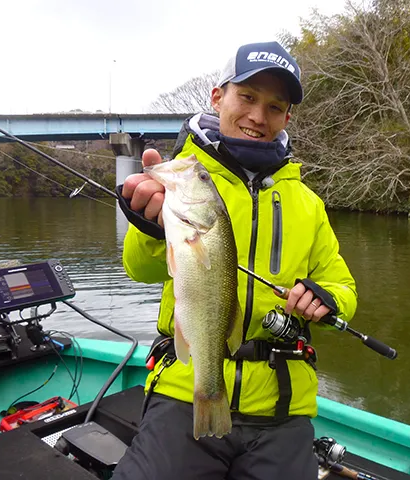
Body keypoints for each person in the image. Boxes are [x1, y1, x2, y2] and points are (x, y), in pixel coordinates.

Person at [112, 41, 358, 480]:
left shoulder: (308, 203)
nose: (258, 117)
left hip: (282, 406)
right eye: (246, 97)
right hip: (183, 393)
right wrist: (150, 228)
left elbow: (343, 286)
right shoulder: (184, 179)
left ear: (287, 117)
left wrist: (328, 300)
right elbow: (140, 269)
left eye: (274, 106)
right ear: (217, 96)